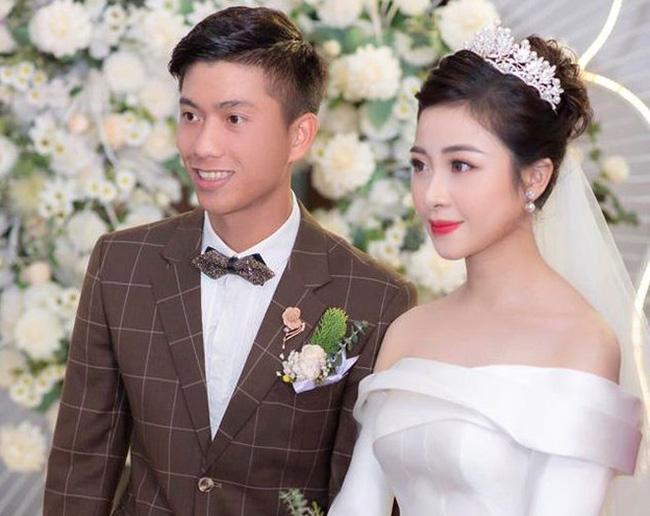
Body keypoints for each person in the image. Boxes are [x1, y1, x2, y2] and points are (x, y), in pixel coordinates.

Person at [43, 7, 415, 515]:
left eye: (234, 118)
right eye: (190, 115)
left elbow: (360, 495)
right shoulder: (123, 264)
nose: (202, 145)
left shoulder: (373, 297)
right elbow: (81, 467)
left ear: (300, 135)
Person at [329, 24, 649, 516]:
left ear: (535, 177)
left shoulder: (581, 343)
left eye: (461, 165)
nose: (432, 194)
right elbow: (358, 504)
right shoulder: (409, 331)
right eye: (420, 165)